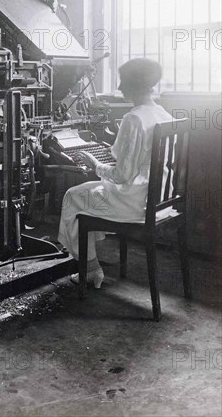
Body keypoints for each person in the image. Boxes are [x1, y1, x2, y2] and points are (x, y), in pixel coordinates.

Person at [58, 58, 172, 288]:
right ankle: (91, 266)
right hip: (161, 198)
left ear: (135, 85)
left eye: (123, 82)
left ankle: (90, 269)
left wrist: (93, 163)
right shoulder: (163, 114)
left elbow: (122, 176)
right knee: (86, 194)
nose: (119, 87)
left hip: (136, 203)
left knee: (73, 196)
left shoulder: (134, 118)